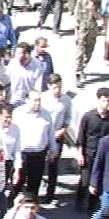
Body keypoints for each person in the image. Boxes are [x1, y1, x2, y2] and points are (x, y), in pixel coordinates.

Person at [75, 88, 109, 215]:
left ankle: (91, 207)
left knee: (98, 180)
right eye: (103, 101)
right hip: (89, 153)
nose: (106, 104)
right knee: (85, 180)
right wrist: (80, 153)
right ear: (98, 100)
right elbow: (81, 136)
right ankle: (79, 203)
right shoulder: (88, 117)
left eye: (108, 101)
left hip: (102, 155)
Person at [11, 90, 57, 197]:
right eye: (35, 100)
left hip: (39, 155)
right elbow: (12, 133)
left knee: (35, 183)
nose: (38, 103)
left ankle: (32, 203)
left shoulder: (46, 114)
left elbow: (50, 133)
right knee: (18, 183)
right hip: (23, 154)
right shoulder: (18, 113)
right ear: (27, 100)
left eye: (39, 100)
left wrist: (53, 149)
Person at [41, 74, 71, 205]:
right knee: (39, 164)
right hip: (43, 135)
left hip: (57, 136)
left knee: (53, 165)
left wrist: (63, 130)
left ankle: (50, 194)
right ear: (49, 87)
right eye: (54, 87)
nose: (57, 90)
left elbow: (68, 118)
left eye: (59, 87)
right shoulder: (43, 99)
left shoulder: (66, 100)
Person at [73, 0, 100, 87]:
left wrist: (93, 11)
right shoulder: (80, 2)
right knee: (79, 52)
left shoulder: (97, 3)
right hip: (82, 30)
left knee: (89, 52)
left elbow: (99, 17)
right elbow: (76, 17)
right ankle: (77, 73)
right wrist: (76, 33)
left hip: (92, 30)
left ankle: (82, 68)